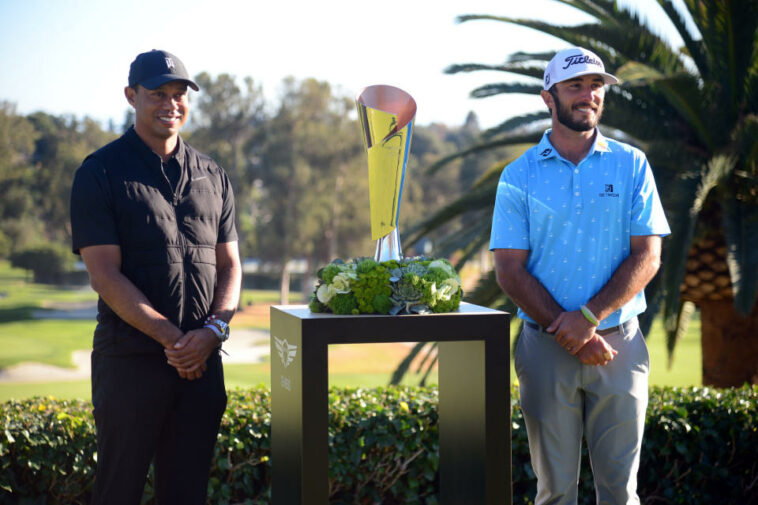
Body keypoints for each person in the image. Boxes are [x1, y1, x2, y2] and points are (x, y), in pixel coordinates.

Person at [490, 47, 670, 504]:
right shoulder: (518, 176)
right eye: (575, 86)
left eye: (596, 86)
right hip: (545, 348)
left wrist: (587, 318)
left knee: (620, 493)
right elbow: (509, 270)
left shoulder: (632, 165)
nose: (588, 95)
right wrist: (571, 333)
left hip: (619, 346)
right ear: (548, 98)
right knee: (554, 494)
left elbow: (648, 256)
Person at [70, 49, 242, 505]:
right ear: (132, 96)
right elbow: (104, 275)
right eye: (157, 93)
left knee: (187, 495)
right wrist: (175, 340)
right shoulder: (100, 172)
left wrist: (213, 332)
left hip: (202, 366)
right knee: (118, 493)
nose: (171, 103)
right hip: (130, 365)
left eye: (179, 94)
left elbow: (230, 267)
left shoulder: (213, 175)